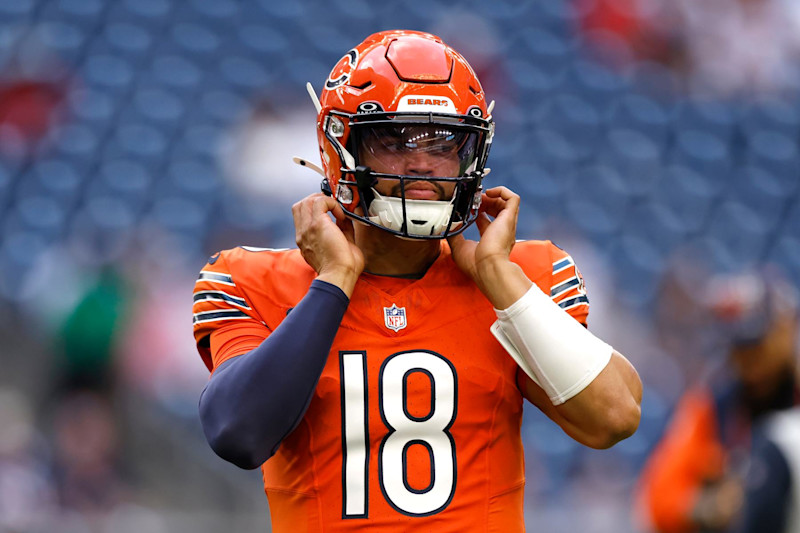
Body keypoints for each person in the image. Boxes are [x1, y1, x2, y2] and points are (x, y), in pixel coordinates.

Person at [192, 30, 642, 531]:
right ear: (340, 148)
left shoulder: (517, 279)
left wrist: (496, 275)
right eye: (394, 139)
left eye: (445, 142)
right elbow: (238, 433)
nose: (423, 163)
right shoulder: (252, 278)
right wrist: (336, 280)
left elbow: (614, 417)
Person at [636, 269, 800, 533]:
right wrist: (709, 507)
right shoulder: (713, 407)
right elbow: (657, 501)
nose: (748, 360)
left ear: (785, 328)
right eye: (738, 347)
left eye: (756, 343)